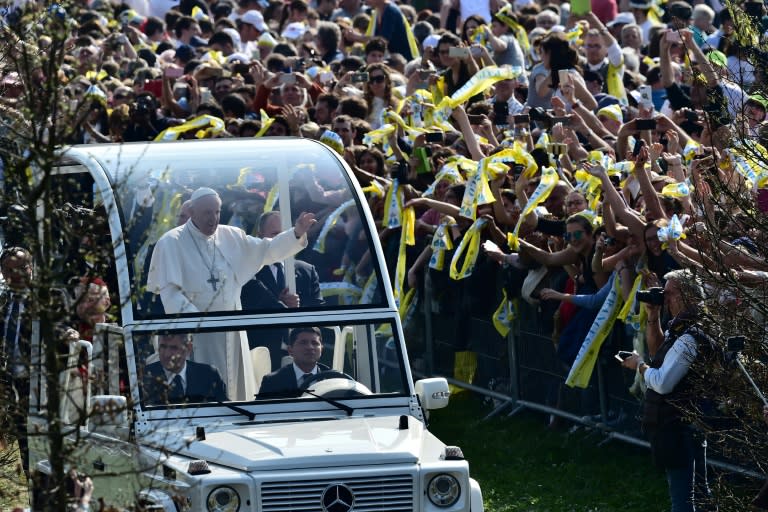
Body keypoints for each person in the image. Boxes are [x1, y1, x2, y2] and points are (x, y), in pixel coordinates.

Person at [146, 187, 316, 401]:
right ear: (193, 212)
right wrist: (200, 323)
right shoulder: (171, 242)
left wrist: (296, 233)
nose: (213, 218)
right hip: (197, 334)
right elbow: (170, 293)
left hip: (232, 332)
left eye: (217, 212)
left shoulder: (231, 236)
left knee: (237, 393)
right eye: (207, 212)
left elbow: (268, 250)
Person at [621, 269, 714, 512]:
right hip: (683, 423)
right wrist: (653, 315)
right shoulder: (681, 327)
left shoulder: (690, 336)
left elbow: (662, 382)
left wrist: (640, 367)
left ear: (690, 296)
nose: (665, 299)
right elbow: (658, 354)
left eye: (670, 294)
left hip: (680, 426)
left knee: (683, 501)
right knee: (700, 496)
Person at [0, 247, 33, 475]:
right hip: (7, 381)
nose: (17, 275)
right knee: (21, 440)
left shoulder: (48, 298)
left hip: (37, 383)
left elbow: (62, 324)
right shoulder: (3, 302)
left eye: (22, 268)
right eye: (10, 270)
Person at [142, 333, 227, 404]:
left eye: (173, 348)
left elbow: (226, 410)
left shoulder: (209, 375)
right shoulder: (144, 377)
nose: (166, 354)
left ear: (188, 348)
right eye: (163, 347)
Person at [258, 327, 328, 398]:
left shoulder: (332, 379)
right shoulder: (272, 382)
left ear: (321, 349)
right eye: (303, 342)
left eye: (315, 343)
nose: (310, 347)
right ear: (290, 350)